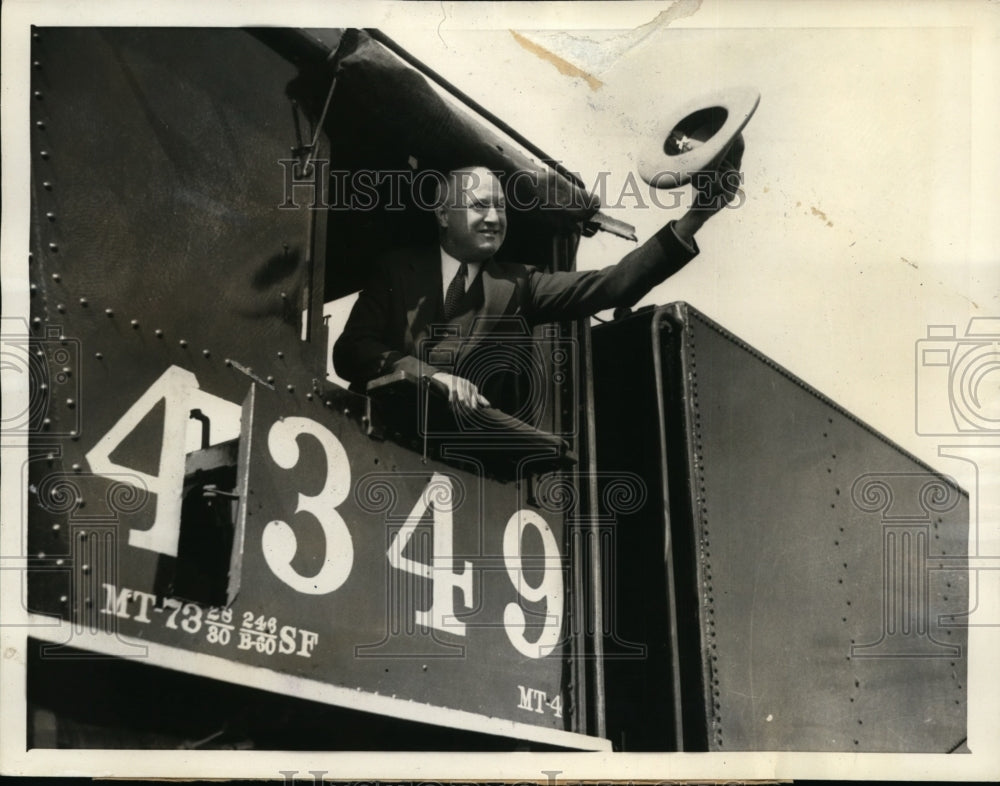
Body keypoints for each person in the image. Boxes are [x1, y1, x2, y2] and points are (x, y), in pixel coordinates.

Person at [333, 142, 744, 419]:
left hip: (469, 461)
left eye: (501, 208)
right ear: (443, 214)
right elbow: (352, 349)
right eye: (479, 206)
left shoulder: (520, 284)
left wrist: (697, 217)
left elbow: (612, 285)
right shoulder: (394, 269)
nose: (494, 219)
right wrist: (432, 378)